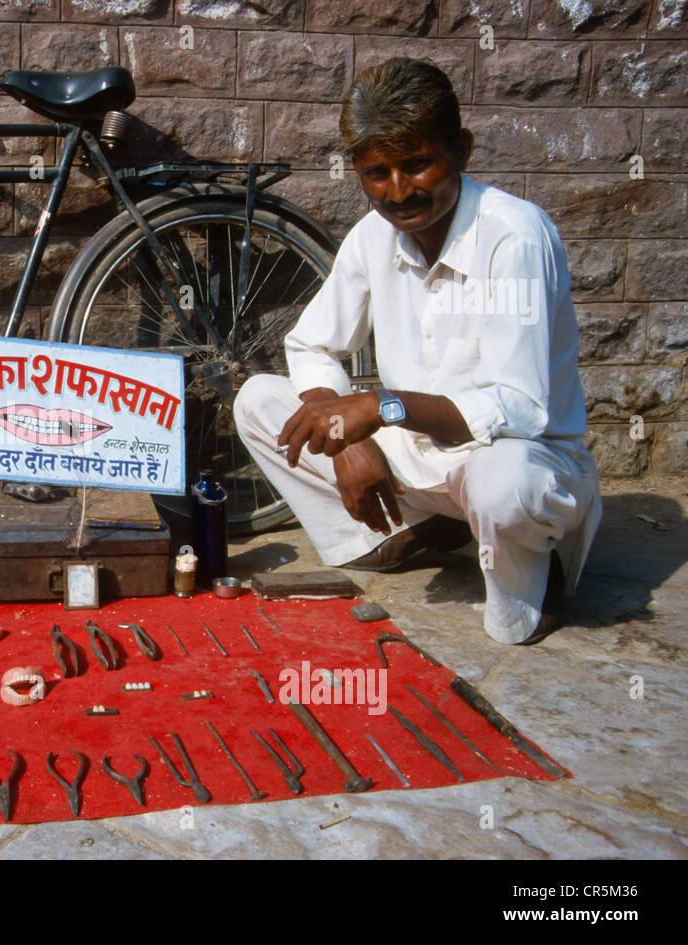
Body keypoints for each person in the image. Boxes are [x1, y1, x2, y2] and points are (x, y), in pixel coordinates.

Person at [234, 57, 602, 645]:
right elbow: (310, 343)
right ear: (356, 168)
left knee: (504, 485)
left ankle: (532, 558)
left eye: (418, 164)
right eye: (377, 172)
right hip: (418, 456)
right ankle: (406, 534)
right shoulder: (372, 235)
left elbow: (521, 410)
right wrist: (341, 433)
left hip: (519, 461)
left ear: (462, 150)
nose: (398, 191)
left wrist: (381, 409)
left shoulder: (514, 235)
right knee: (257, 400)